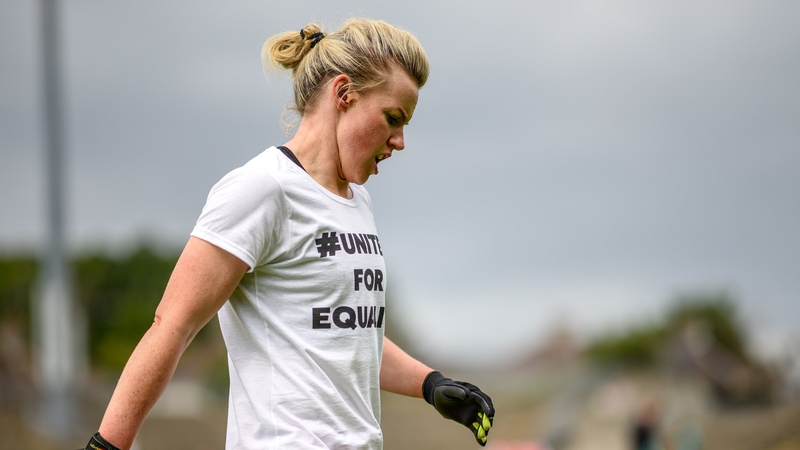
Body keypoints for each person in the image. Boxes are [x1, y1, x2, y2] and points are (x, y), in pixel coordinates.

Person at [80, 17, 495, 450]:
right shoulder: (262, 188)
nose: (400, 141)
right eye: (392, 118)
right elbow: (172, 325)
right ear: (344, 94)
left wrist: (430, 384)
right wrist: (108, 445)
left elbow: (347, 337)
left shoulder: (358, 202)